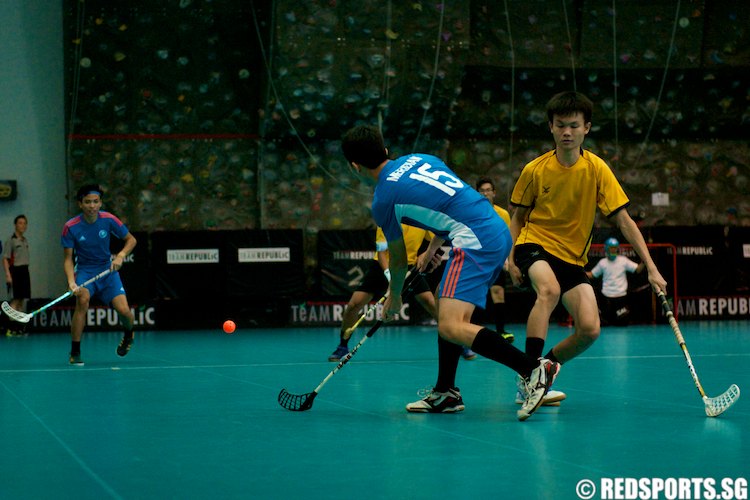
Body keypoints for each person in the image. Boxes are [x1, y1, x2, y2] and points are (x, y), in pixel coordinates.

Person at [341, 124, 560, 421]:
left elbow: (397, 258)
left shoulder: (383, 200)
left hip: (474, 240)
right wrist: (433, 250)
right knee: (450, 314)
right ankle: (445, 393)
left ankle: (533, 369)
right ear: (385, 150)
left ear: (355, 166)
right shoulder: (422, 158)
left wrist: (393, 298)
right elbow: (454, 201)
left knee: (450, 325)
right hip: (494, 230)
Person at [508, 91, 668, 405]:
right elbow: (517, 218)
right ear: (551, 128)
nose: (567, 132)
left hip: (572, 258)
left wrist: (651, 267)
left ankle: (544, 369)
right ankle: (528, 375)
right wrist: (509, 257)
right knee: (549, 291)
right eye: (560, 125)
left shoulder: (597, 170)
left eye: (573, 125)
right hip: (534, 244)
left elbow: (624, 221)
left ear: (587, 128)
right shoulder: (535, 170)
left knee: (590, 329)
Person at [328, 225, 479, 362]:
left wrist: (427, 252)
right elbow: (381, 254)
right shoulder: (387, 217)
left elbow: (439, 236)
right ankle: (342, 346)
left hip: (409, 267)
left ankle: (460, 342)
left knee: (430, 303)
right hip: (383, 267)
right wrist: (391, 278)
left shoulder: (420, 220)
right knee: (354, 304)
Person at [61, 184, 137, 365]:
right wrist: (72, 282)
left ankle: (128, 335)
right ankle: (75, 351)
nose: (92, 206)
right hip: (86, 272)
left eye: (95, 202)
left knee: (124, 311)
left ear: (100, 203)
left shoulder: (109, 220)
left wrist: (120, 256)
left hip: (107, 271)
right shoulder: (70, 227)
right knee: (83, 300)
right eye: (87, 202)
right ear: (80, 204)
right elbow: (68, 260)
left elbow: (131, 240)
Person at [473, 177, 515, 343]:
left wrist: (507, 259)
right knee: (477, 295)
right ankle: (473, 331)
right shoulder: (472, 212)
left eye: (488, 190)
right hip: (478, 260)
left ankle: (501, 331)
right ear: (477, 193)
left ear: (494, 193)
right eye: (482, 191)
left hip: (496, 259)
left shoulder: (502, 214)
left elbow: (508, 237)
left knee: (498, 293)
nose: (485, 194)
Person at [586, 237, 645, 325]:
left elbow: (637, 269)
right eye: (611, 249)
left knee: (622, 323)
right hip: (606, 297)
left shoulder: (623, 260)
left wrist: (645, 261)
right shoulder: (603, 262)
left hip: (621, 297)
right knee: (604, 323)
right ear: (606, 249)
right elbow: (592, 275)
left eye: (615, 249)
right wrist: (578, 271)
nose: (613, 251)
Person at [2, 215, 30, 337]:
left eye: (25, 223)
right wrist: (8, 275)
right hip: (15, 271)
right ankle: (10, 328)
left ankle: (19, 328)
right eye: (20, 223)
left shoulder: (25, 240)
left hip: (24, 271)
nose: (22, 225)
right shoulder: (11, 240)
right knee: (15, 300)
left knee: (22, 300)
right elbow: (5, 259)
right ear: (15, 225)